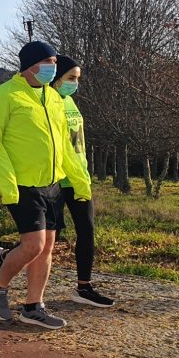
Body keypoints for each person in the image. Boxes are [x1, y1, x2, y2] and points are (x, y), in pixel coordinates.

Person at [0, 41, 92, 329]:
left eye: (55, 62)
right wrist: (7, 184)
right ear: (30, 65)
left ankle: (33, 306)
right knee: (34, 244)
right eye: (48, 62)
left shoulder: (54, 99)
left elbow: (65, 146)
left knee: (47, 248)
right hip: (22, 184)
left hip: (52, 183)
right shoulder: (4, 96)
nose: (53, 68)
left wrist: (79, 181)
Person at [51, 55, 113, 307]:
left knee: (87, 230)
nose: (75, 83)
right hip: (55, 180)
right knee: (48, 238)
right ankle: (6, 257)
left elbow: (77, 144)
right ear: (56, 78)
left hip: (79, 178)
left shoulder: (70, 102)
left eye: (77, 79)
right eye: (70, 78)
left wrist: (83, 175)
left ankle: (84, 287)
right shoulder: (48, 103)